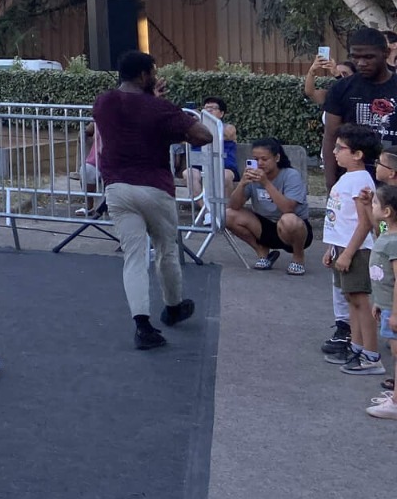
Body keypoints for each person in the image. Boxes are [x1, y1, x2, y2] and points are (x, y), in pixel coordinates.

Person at [92, 51, 214, 350]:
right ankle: (173, 307)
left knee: (133, 256)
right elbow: (203, 135)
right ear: (145, 75)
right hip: (155, 187)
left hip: (117, 187)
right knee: (166, 249)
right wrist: (170, 122)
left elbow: (129, 120)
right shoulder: (160, 109)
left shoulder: (103, 102)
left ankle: (142, 325)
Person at [319, 29, 397, 360]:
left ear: (386, 53)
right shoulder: (343, 88)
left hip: (391, 179)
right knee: (347, 253)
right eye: (356, 56)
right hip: (357, 182)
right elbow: (330, 136)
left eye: (370, 56)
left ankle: (385, 323)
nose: (362, 63)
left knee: (387, 254)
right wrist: (330, 182)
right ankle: (345, 327)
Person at [321, 124, 382, 375]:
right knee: (351, 299)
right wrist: (331, 249)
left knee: (360, 301)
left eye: (340, 148)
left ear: (358, 154)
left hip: (356, 250)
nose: (335, 152)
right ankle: (357, 347)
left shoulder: (360, 180)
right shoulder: (348, 178)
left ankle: (371, 355)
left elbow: (365, 222)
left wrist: (347, 253)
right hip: (342, 248)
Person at [223, 139, 312, 273]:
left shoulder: (290, 175)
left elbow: (288, 208)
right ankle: (262, 252)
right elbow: (234, 206)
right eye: (256, 159)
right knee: (227, 215)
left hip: (293, 229)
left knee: (289, 220)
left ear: (277, 158)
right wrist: (242, 184)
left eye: (264, 159)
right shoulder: (253, 176)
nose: (259, 163)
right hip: (264, 225)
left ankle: (298, 257)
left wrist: (266, 183)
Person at [360, 183, 397, 418]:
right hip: (386, 307)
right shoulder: (386, 232)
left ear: (387, 211)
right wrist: (379, 303)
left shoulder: (394, 241)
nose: (372, 206)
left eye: (375, 204)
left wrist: (394, 313)